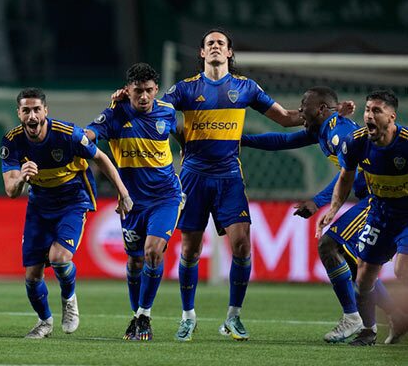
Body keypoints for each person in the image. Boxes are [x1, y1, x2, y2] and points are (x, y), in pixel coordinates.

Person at [159, 28, 305, 342]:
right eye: (209, 43)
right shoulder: (185, 89)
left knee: (241, 245)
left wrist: (323, 116)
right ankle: (188, 317)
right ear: (201, 53)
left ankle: (233, 318)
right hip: (194, 176)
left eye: (220, 43)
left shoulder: (246, 87)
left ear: (229, 53)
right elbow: (158, 115)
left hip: (229, 177)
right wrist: (179, 135)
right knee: (190, 249)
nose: (214, 46)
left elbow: (284, 118)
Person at [241, 86, 402, 343]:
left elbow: (354, 173)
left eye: (304, 106)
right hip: (370, 200)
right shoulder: (322, 132)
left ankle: (355, 317)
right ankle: (389, 318)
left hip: (378, 200)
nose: (300, 112)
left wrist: (319, 201)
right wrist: (238, 139)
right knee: (352, 260)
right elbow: (282, 141)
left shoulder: (341, 132)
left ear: (320, 109)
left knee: (330, 246)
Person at [1, 87, 133, 339]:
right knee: (31, 276)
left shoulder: (68, 134)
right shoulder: (12, 141)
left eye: (36, 109)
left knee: (60, 257)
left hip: (73, 200)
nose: (32, 116)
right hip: (39, 204)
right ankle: (44, 322)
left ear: (45, 111)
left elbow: (101, 158)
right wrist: (22, 180)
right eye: (26, 110)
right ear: (19, 113)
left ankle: (69, 299)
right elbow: (10, 190)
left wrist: (123, 193)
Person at [85, 63, 182, 341]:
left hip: (166, 196)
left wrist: (190, 158)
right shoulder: (115, 115)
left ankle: (144, 315)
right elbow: (90, 134)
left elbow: (181, 134)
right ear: (127, 90)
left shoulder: (167, 111)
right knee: (135, 261)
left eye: (149, 91)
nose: (143, 97)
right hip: (131, 201)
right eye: (137, 91)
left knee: (153, 251)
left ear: (156, 90)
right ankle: (137, 315)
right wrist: (73, 137)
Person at [318, 90, 408, 346]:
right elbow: (345, 178)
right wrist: (333, 209)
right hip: (380, 213)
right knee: (364, 276)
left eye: (376, 111)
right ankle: (369, 331)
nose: (369, 115)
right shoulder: (355, 142)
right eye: (368, 110)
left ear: (392, 117)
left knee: (403, 269)